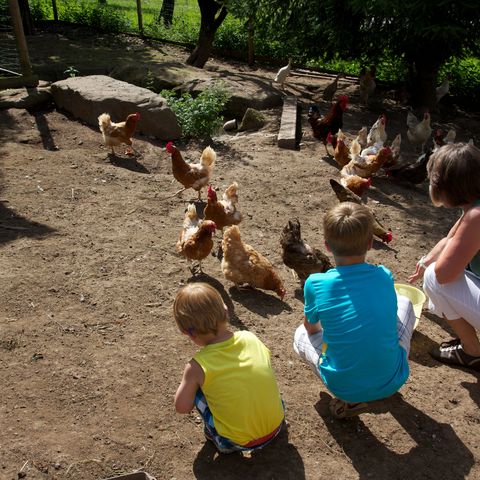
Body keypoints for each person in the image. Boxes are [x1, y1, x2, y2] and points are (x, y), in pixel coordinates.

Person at [293, 202, 416, 419]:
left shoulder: (315, 283)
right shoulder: (384, 275)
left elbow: (311, 329)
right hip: (392, 379)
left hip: (344, 386)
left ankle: (350, 399)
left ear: (327, 246)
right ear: (370, 244)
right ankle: (380, 371)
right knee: (404, 302)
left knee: (299, 335)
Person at [173, 282, 285, 453]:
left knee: (194, 387)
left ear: (188, 333)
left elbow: (182, 407)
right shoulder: (250, 337)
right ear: (226, 311)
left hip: (239, 442)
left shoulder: (196, 366)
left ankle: (218, 439)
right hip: (275, 427)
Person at [408, 143, 480, 371]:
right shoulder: (475, 205)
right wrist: (426, 259)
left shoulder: (477, 216)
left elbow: (444, 274)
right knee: (433, 268)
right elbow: (452, 238)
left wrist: (430, 266)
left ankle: (472, 352)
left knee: (434, 278)